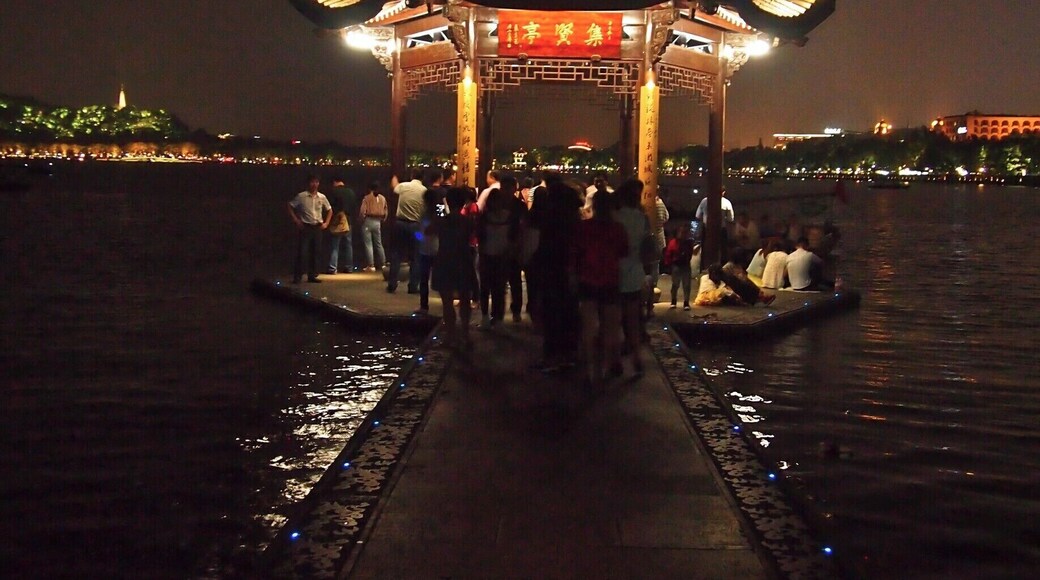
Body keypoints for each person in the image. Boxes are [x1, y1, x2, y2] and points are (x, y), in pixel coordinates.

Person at [573, 188, 628, 389]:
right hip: (610, 281)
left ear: (593, 206)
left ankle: (589, 370)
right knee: (610, 327)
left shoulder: (584, 228)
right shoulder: (618, 229)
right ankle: (603, 367)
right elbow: (624, 252)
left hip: (587, 279)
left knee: (589, 327)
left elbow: (576, 253)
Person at [431, 186, 479, 349]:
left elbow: (425, 232)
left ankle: (450, 335)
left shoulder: (441, 222)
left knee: (447, 301)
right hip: (463, 259)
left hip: (444, 259)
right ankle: (465, 333)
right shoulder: (468, 222)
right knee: (465, 298)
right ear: (463, 202)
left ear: (448, 202)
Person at [613, 179, 650, 377]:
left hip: (614, 273)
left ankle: (616, 360)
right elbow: (647, 246)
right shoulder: (642, 218)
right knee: (634, 320)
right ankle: (637, 358)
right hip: (635, 273)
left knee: (614, 320)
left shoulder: (615, 217)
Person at [477, 175, 523, 329]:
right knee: (498, 288)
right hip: (501, 254)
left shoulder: (514, 209)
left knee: (495, 287)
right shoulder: (511, 212)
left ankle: (498, 316)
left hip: (498, 255)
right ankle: (497, 317)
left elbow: (481, 236)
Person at [287, 174, 332, 284]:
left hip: (317, 227)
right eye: (312, 182)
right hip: (306, 227)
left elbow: (330, 209)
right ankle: (298, 276)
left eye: (316, 182)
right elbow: (290, 205)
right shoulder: (301, 196)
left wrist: (326, 223)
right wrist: (296, 220)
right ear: (308, 183)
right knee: (302, 252)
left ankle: (312, 275)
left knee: (316, 252)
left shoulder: (322, 197)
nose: (315, 184)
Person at [388, 168, 426, 294]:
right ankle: (413, 286)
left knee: (396, 254)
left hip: (400, 224)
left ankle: (392, 284)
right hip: (417, 227)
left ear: (412, 175)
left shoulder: (404, 186)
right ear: (422, 178)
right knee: (416, 256)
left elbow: (394, 186)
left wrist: (394, 175)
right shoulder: (424, 191)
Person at [415, 169, 446, 314]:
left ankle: (424, 306)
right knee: (439, 279)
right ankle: (446, 304)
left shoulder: (424, 213)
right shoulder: (439, 212)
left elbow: (420, 231)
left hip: (426, 249)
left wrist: (420, 238)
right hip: (437, 248)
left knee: (424, 279)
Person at [646, 189, 670, 317]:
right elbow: (666, 217)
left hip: (648, 238)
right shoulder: (661, 203)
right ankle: (654, 286)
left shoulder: (646, 203)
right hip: (660, 237)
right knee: (656, 265)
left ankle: (648, 290)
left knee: (648, 265)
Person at [326, 176, 356, 274]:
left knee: (335, 245)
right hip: (349, 220)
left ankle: (333, 267)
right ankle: (349, 267)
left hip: (337, 220)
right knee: (348, 245)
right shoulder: (351, 192)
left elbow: (331, 207)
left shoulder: (334, 191)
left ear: (335, 181)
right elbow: (354, 206)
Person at [664, 223, 696, 310]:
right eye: (682, 232)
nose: (683, 234)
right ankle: (673, 301)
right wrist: (668, 264)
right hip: (676, 265)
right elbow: (668, 254)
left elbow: (690, 254)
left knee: (687, 285)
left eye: (685, 232)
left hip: (685, 265)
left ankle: (686, 302)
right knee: (675, 284)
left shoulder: (689, 243)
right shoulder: (673, 242)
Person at [358, 181, 388, 271]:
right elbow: (386, 211)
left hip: (368, 220)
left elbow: (363, 211)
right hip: (378, 221)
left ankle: (371, 265)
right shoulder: (383, 198)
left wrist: (361, 220)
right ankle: (383, 263)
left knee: (368, 244)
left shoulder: (367, 198)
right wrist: (383, 220)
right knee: (378, 243)